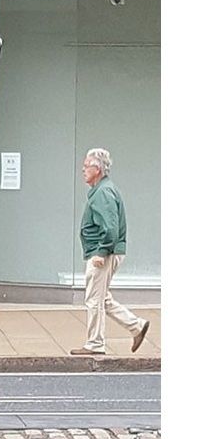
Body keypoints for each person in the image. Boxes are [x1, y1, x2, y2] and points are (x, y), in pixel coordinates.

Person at [70, 148, 149, 356]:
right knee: (102, 298)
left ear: (97, 169)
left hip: (102, 253)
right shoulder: (102, 190)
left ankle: (95, 343)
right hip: (105, 251)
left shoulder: (103, 193)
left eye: (86, 166)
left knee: (94, 300)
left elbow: (111, 228)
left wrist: (101, 252)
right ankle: (136, 326)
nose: (83, 170)